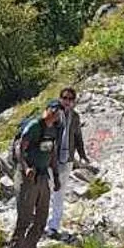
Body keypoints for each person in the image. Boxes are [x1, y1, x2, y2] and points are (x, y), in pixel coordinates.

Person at [6, 101, 62, 248]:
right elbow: (19, 149)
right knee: (24, 218)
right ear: (46, 110)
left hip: (44, 176)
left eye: (57, 112)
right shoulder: (33, 126)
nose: (54, 113)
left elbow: (52, 154)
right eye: (52, 110)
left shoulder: (54, 130)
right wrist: (26, 168)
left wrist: (56, 177)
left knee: (42, 217)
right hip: (28, 177)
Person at [47, 87, 92, 240]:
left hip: (67, 160)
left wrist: (83, 155)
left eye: (70, 99)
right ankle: (41, 224)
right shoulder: (54, 114)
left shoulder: (76, 117)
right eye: (64, 98)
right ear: (60, 99)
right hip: (50, 159)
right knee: (46, 190)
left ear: (74, 102)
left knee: (60, 192)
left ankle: (53, 226)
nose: (67, 101)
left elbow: (78, 136)